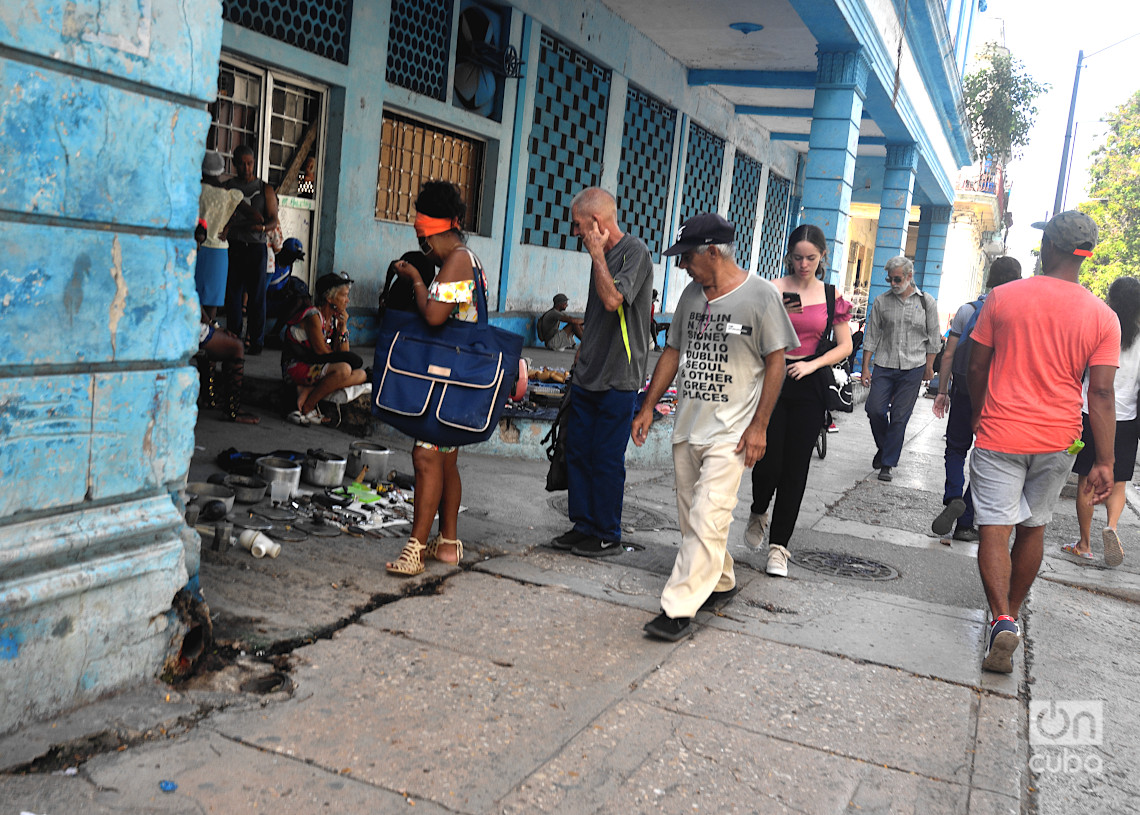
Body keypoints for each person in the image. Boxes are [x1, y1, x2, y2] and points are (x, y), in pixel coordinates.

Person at [631, 213, 798, 641]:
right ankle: (721, 580)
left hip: (733, 431)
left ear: (711, 252)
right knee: (694, 518)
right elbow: (671, 352)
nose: (682, 266)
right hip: (689, 426)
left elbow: (777, 362)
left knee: (708, 515)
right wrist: (649, 405)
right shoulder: (691, 295)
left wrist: (760, 426)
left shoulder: (761, 296)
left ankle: (677, 608)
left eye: (686, 257)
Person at [968, 210, 1119, 673]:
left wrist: (978, 414)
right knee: (1034, 527)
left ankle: (1002, 620)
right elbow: (1101, 392)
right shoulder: (1103, 316)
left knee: (994, 527)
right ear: (1086, 255)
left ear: (1050, 247)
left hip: (1001, 430)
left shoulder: (1003, 296)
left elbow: (976, 367)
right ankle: (1008, 619)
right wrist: (1106, 461)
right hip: (1059, 439)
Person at [384, 181, 485, 576]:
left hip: (445, 377)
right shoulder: (472, 259)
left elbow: (434, 316)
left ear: (429, 230)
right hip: (461, 378)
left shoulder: (457, 260)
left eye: (419, 233)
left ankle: (414, 548)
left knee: (425, 457)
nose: (419, 238)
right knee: (447, 460)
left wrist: (416, 280)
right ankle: (448, 544)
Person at [549, 187, 654, 558]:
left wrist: (597, 254)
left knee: (606, 458)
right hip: (589, 372)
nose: (576, 233)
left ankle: (607, 532)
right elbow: (597, 316)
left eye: (579, 225)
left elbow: (613, 301)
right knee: (578, 451)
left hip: (618, 378)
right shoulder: (603, 257)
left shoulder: (635, 252)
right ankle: (584, 525)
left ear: (596, 222)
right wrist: (582, 352)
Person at [746, 224, 853, 576]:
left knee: (796, 467)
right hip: (773, 380)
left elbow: (845, 345)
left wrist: (812, 365)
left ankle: (779, 547)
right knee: (767, 459)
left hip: (809, 387)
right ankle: (759, 508)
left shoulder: (830, 296)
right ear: (789, 256)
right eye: (797, 257)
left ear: (822, 256)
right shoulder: (774, 289)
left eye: (810, 258)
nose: (803, 264)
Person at [930, 257, 1022, 541]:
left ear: (989, 278)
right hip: (998, 397)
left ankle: (952, 496)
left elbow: (948, 354)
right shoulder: (1018, 313)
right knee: (985, 458)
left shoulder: (967, 310)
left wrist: (942, 391)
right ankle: (966, 523)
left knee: (956, 449)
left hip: (965, 390)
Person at [1065, 275, 1140, 566]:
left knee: (1087, 481)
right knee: (1118, 483)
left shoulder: (1101, 328)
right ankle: (1112, 527)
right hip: (1128, 419)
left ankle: (1084, 544)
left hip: (1091, 412)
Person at [858, 256, 941, 482]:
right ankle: (885, 448)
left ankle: (887, 463)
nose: (893, 284)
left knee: (899, 416)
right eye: (890, 279)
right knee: (874, 409)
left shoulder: (926, 302)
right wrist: (865, 367)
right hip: (884, 364)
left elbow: (934, 338)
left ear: (909, 276)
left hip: (914, 367)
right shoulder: (881, 302)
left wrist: (930, 367)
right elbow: (872, 335)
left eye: (897, 279)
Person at [281, 272, 368, 426]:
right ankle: (308, 407)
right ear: (329, 298)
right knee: (344, 370)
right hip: (296, 367)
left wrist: (343, 327)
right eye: (344, 295)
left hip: (317, 366)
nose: (347, 300)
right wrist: (343, 358)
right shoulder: (313, 316)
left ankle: (308, 391)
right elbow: (321, 352)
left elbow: (343, 353)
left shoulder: (334, 320)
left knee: (361, 374)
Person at [224, 144, 279, 355]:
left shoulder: (265, 189)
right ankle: (233, 338)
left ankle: (256, 341)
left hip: (256, 247)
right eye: (242, 164)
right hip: (234, 246)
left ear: (254, 163)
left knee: (257, 297)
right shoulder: (228, 188)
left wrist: (262, 227)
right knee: (233, 296)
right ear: (234, 163)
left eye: (249, 163)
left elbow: (273, 221)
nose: (246, 168)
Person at [195, 151, 243, 324]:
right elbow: (237, 213)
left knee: (194, 294)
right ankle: (209, 332)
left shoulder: (197, 190)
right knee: (212, 297)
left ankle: (197, 333)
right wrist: (226, 228)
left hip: (197, 246)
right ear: (221, 170)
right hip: (219, 250)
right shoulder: (228, 194)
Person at [264, 238, 311, 347]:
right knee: (298, 301)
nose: (292, 261)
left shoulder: (289, 266)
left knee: (305, 300)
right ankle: (273, 334)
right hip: (266, 303)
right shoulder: (271, 263)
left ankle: (307, 337)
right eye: (291, 257)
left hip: (279, 302)